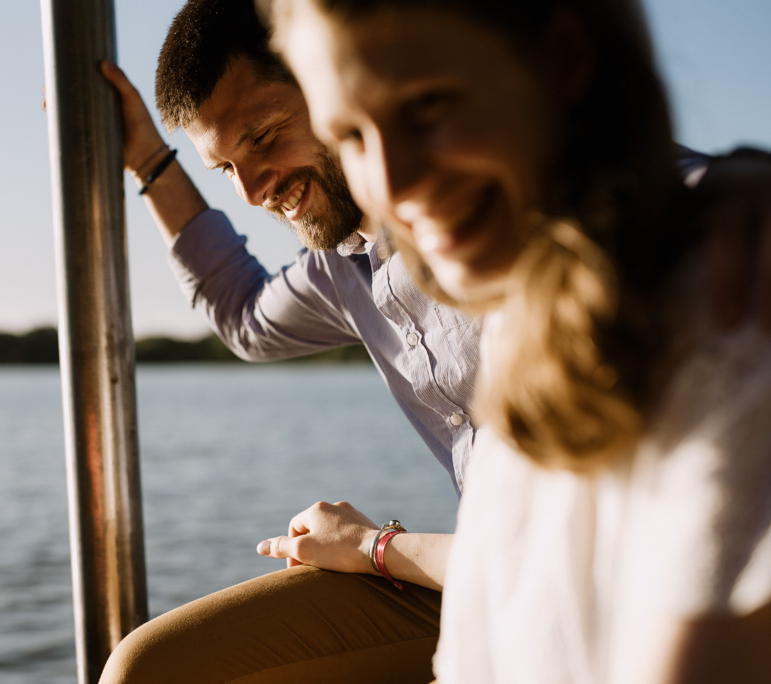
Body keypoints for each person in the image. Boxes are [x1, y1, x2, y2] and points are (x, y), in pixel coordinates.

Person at [260, 0, 771, 680]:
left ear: (564, 58)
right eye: (349, 134)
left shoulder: (730, 312)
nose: (393, 184)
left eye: (428, 104)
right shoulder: (524, 324)